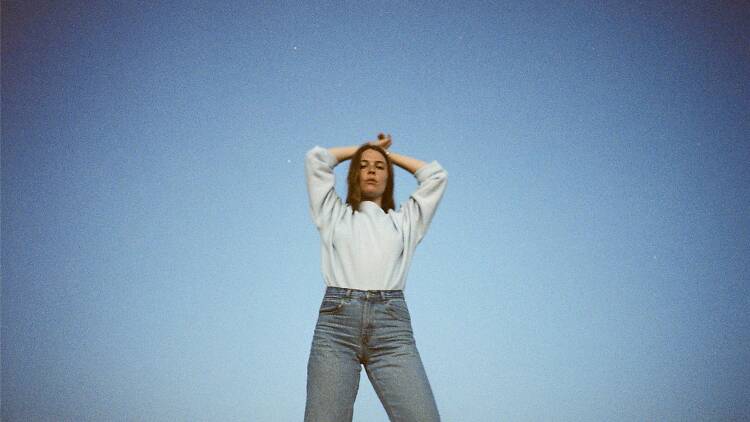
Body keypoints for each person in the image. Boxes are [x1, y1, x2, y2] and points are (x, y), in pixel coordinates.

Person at [303, 133, 448, 422]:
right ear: (354, 174)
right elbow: (316, 159)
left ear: (389, 178)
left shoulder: (405, 222)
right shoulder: (333, 214)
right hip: (336, 328)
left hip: (392, 331)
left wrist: (386, 155)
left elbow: (435, 176)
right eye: (364, 165)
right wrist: (365, 149)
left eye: (379, 167)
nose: (371, 170)